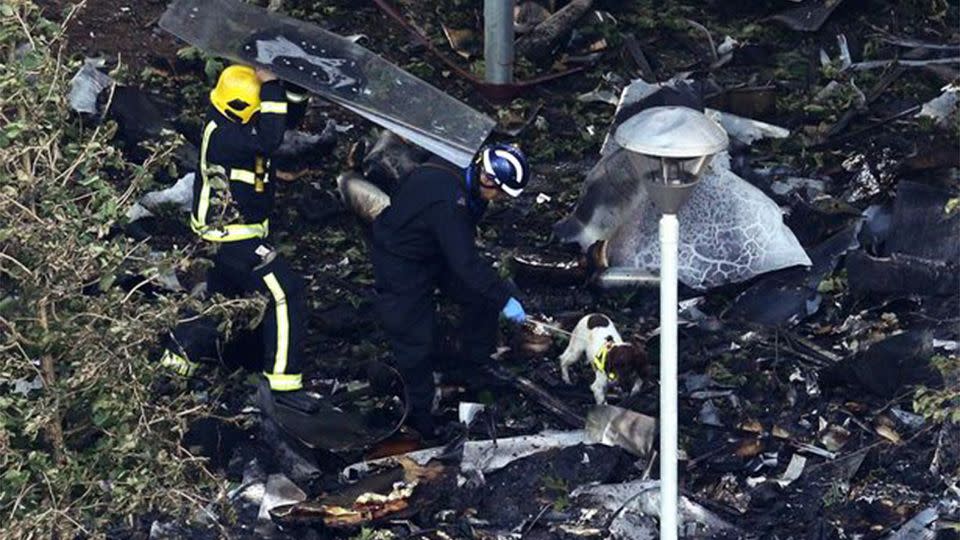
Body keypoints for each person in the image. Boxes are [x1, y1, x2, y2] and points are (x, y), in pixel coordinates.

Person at [159, 64, 316, 411]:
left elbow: (284, 120)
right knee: (285, 290)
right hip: (228, 237)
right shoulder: (226, 137)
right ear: (244, 110)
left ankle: (172, 370)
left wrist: (295, 85)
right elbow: (272, 137)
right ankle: (283, 385)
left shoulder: (235, 122)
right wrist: (272, 87)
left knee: (219, 303)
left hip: (230, 236)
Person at [370, 144, 530, 437]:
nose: (501, 199)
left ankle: (473, 364)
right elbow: (466, 263)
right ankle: (421, 417)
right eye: (501, 192)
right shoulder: (449, 204)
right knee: (414, 335)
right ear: (488, 179)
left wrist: (495, 295)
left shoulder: (463, 168)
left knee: (481, 296)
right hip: (401, 258)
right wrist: (505, 298)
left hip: (435, 247)